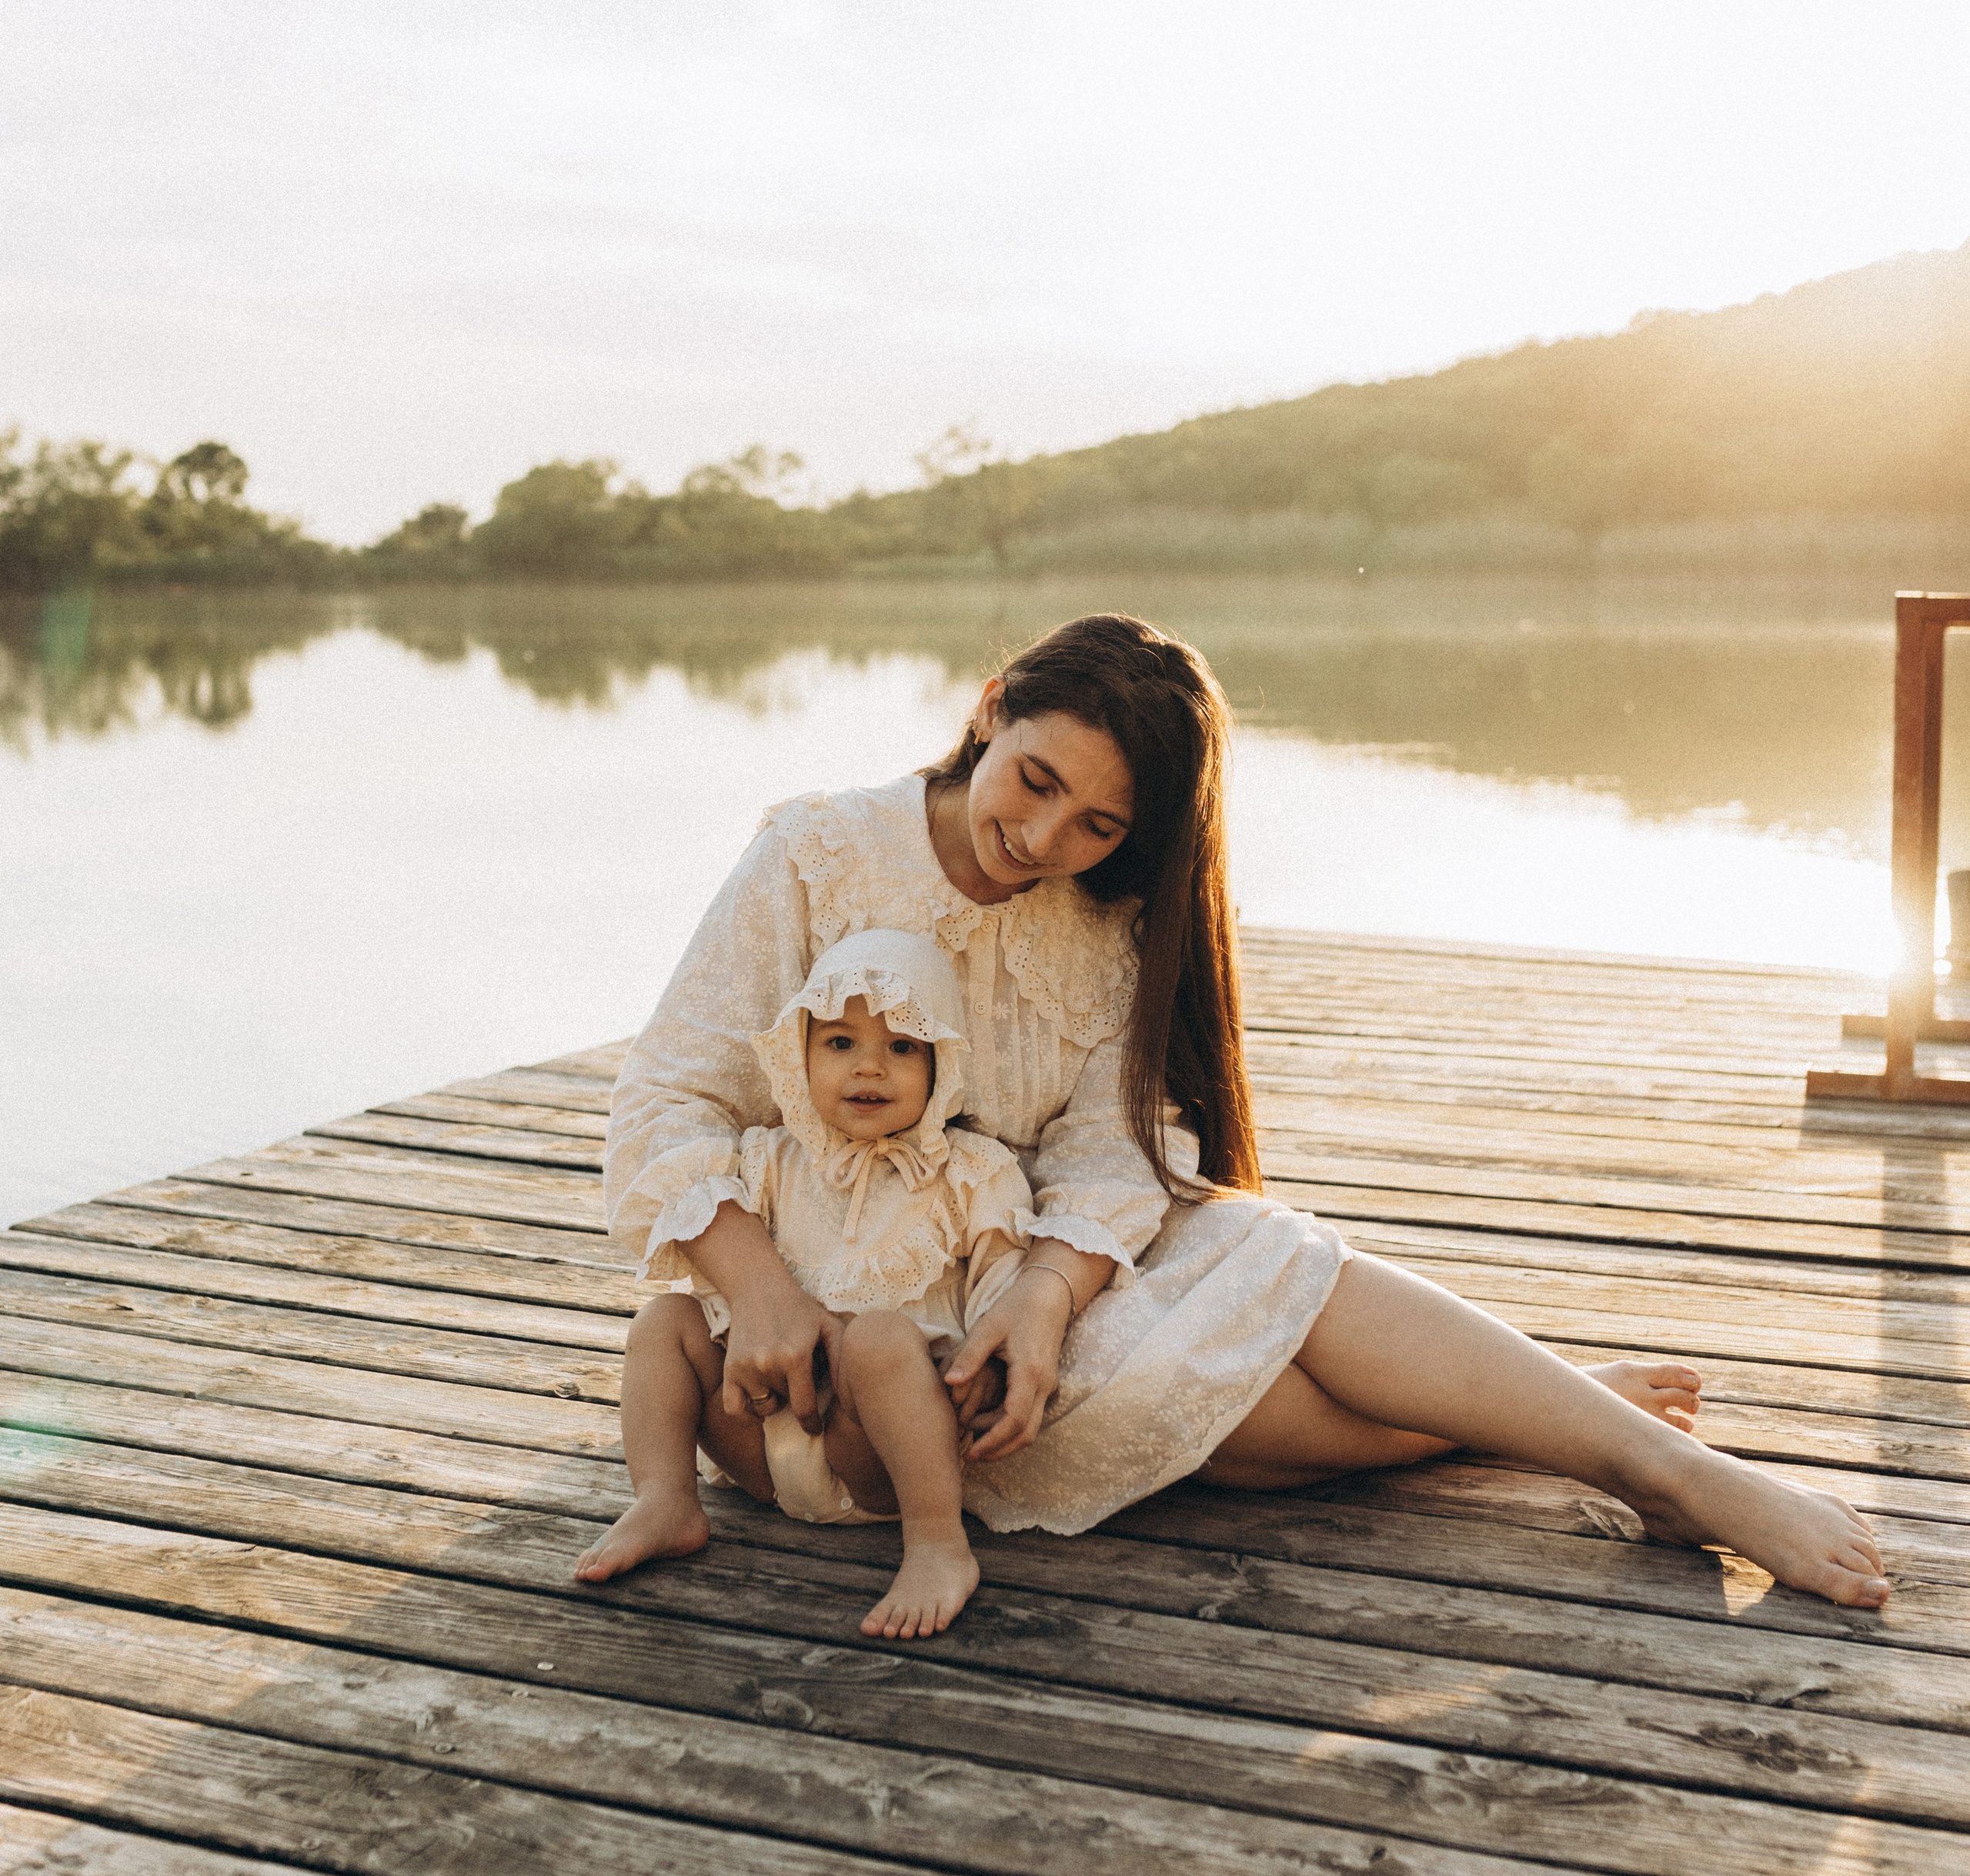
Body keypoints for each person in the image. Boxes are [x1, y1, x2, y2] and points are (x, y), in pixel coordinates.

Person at [587, 612, 1889, 1612]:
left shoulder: (1099, 921)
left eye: (1097, 825)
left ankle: (1655, 1467)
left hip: (1026, 1260)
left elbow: (1107, 1150)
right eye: (1033, 780)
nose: (1042, 839)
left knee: (1259, 1257)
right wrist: (760, 1291)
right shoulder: (815, 854)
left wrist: (1043, 1300)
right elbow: (666, 1103)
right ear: (990, 711)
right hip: (849, 1316)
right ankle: (1558, 1422)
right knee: (1236, 1428)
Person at [576, 929, 1033, 1638]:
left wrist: (986, 1368)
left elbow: (1004, 1289)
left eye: (903, 1047)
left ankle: (937, 1543)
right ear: (802, 1053)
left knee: (879, 1338)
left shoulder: (970, 1171)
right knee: (666, 1321)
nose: (869, 1069)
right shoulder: (766, 1161)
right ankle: (666, 1498)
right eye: (841, 1043)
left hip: (876, 1451)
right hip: (756, 1442)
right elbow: (704, 1266)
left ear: (943, 1060)